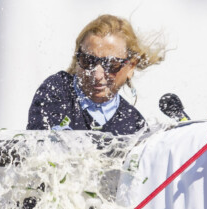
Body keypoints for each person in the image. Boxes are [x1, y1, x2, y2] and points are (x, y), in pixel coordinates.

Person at [27, 14, 163, 136]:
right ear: (77, 59)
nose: (97, 75)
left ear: (131, 66)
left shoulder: (134, 124)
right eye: (88, 61)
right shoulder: (57, 90)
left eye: (112, 64)